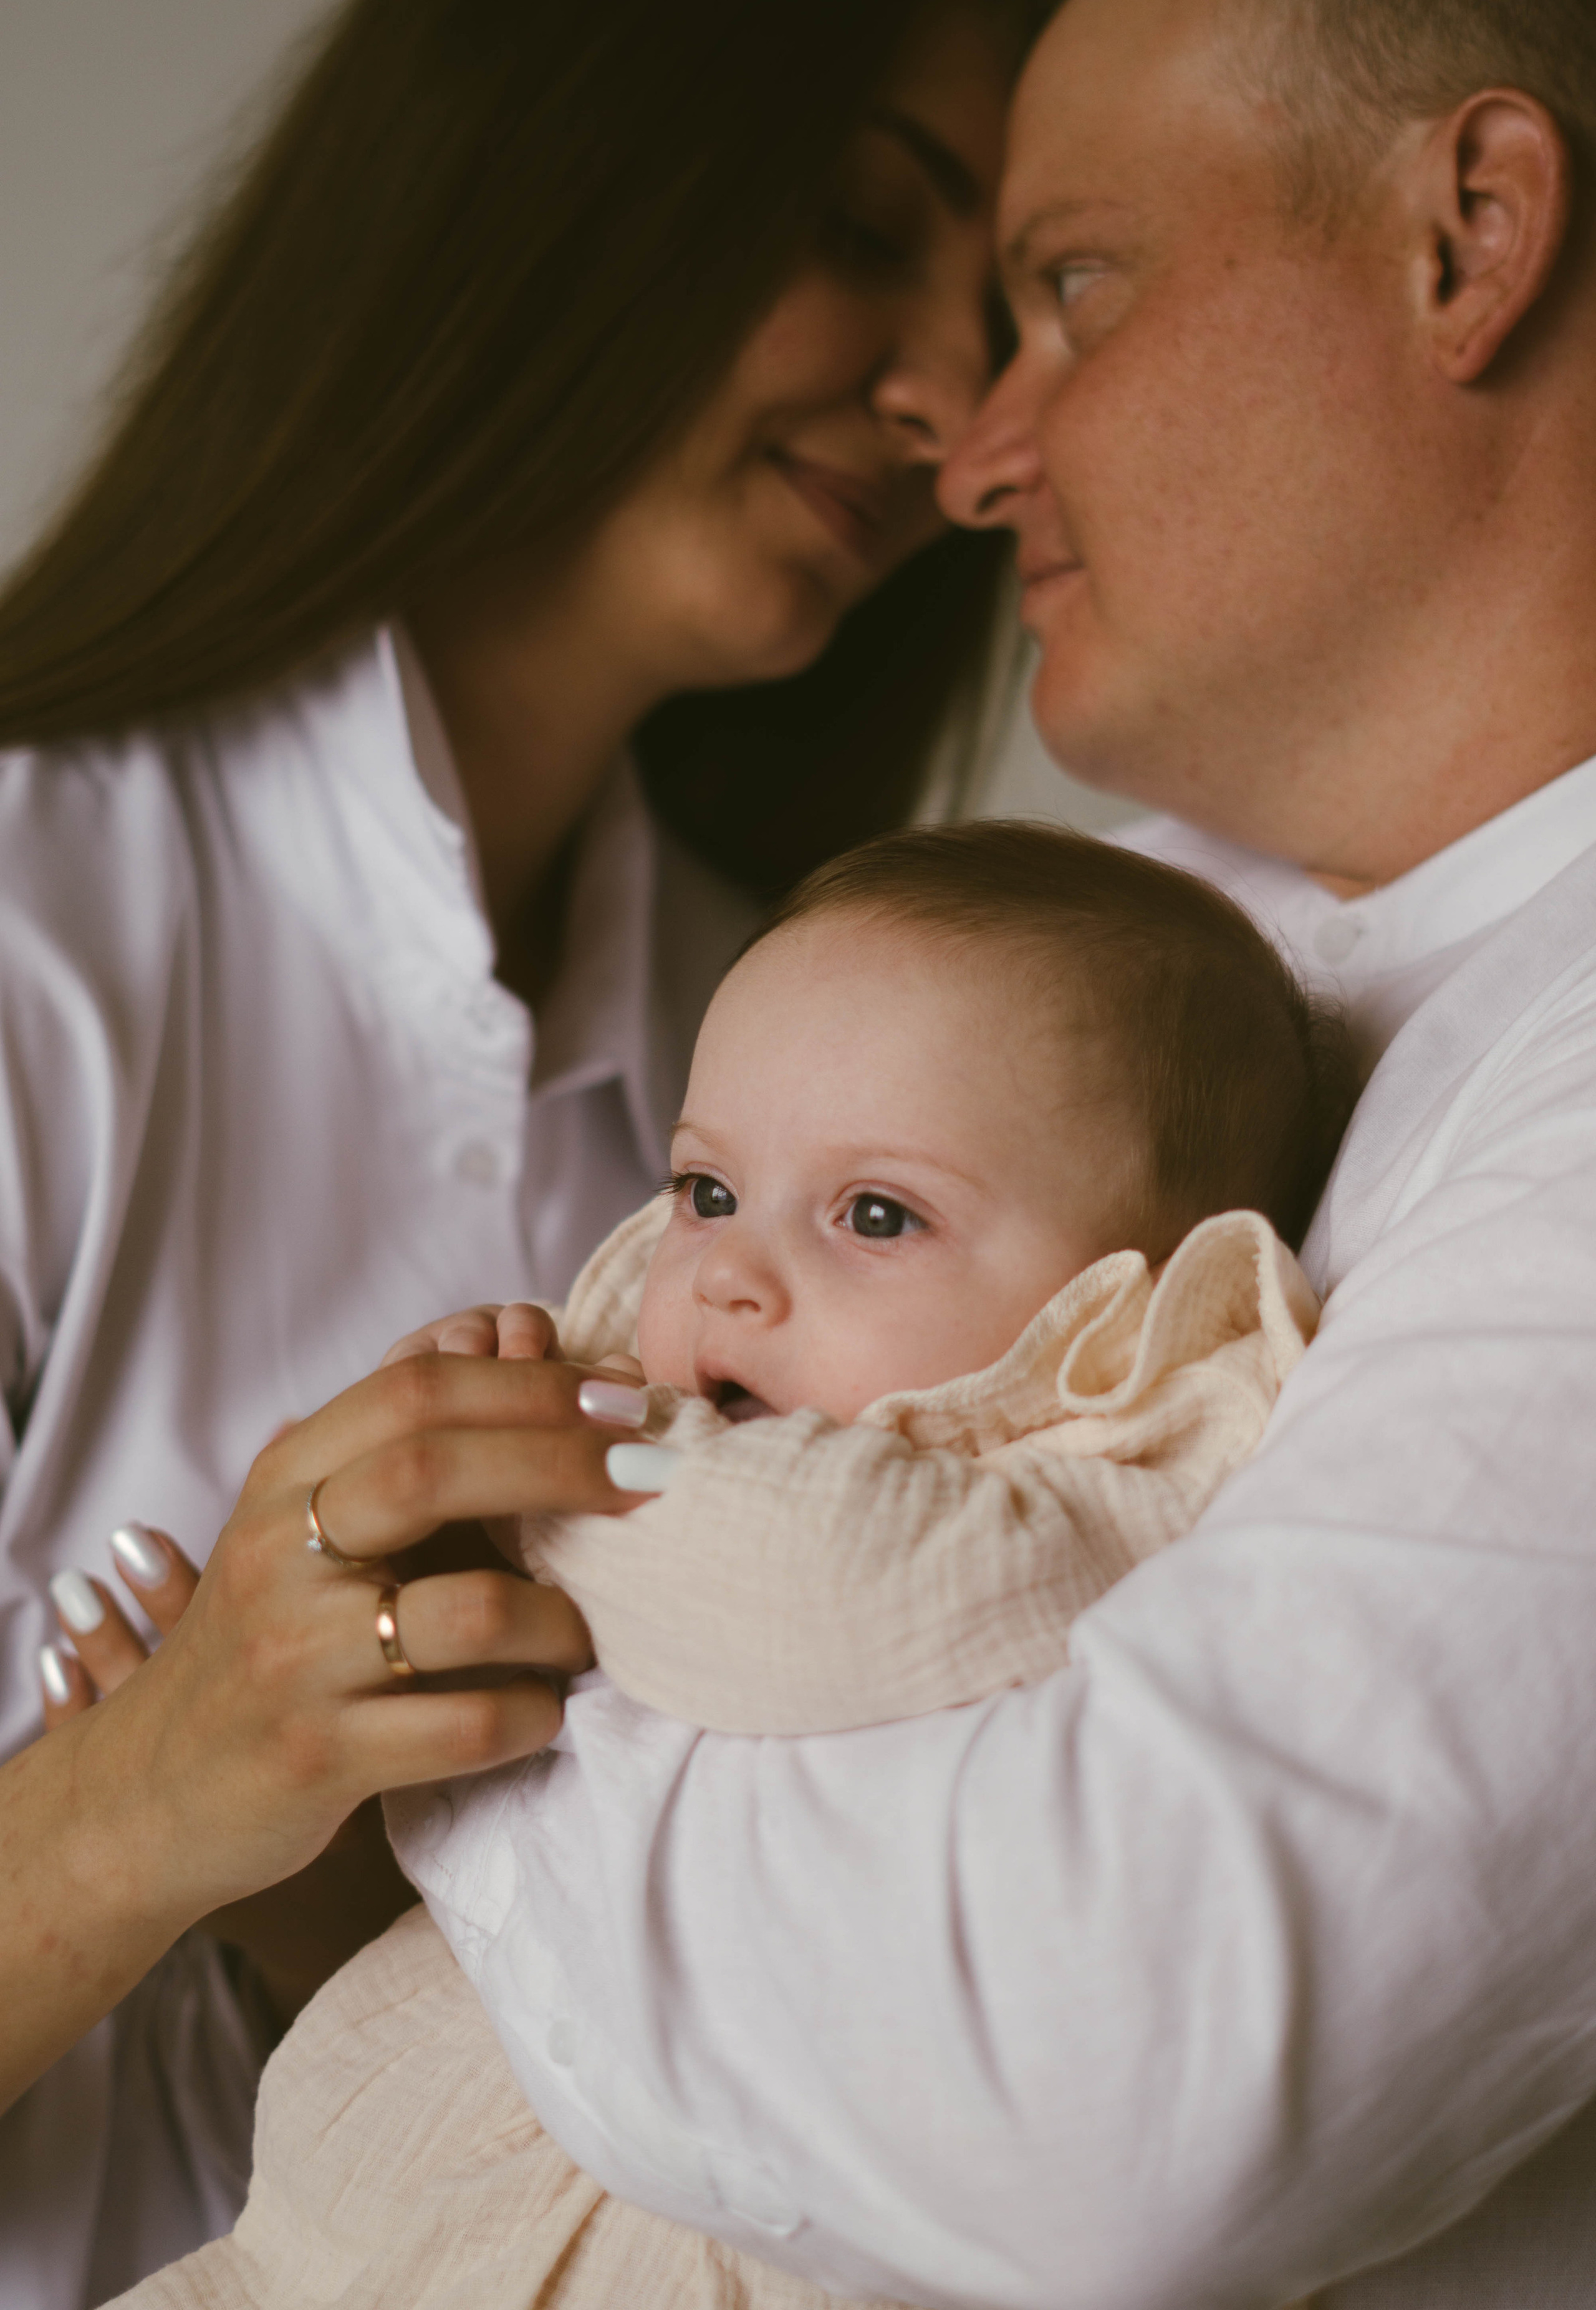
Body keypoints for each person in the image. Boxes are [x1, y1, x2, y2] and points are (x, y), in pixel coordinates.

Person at [221, 0, 1596, 2303]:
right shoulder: (1105, 951)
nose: (971, 451)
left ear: (1466, 236)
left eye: (1072, 284)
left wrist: (496, 1672)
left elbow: (1111, 2086)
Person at [0, 0, 1022, 2298]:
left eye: (1015, 301)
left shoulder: (827, 1090)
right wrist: (165, 1790)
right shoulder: (42, 923)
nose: (956, 400)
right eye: (872, 229)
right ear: (555, 167)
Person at [110, 819, 1345, 2309]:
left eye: (875, 1216)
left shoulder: (1103, 1448)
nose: (729, 1274)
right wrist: (439, 1491)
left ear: (1111, 1304)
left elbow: (820, 1591)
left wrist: (521, 1473)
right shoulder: (705, 1414)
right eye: (705, 1192)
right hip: (292, 2255)